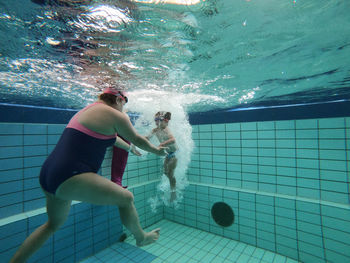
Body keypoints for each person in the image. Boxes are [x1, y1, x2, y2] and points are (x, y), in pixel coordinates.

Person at [10, 87, 166, 263]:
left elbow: (112, 138)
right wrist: (156, 151)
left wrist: (130, 148)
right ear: (119, 100)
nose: (124, 107)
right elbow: (137, 138)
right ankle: (141, 237)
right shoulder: (115, 114)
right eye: (125, 102)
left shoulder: (87, 111)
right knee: (126, 198)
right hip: (71, 174)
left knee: (52, 225)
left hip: (49, 173)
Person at [146, 111, 178, 202]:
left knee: (170, 174)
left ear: (165, 121)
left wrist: (162, 143)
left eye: (159, 119)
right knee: (166, 173)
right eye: (155, 120)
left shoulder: (166, 129)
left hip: (174, 154)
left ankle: (173, 192)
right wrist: (136, 140)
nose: (157, 122)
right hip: (168, 155)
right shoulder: (155, 130)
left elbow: (173, 140)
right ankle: (173, 186)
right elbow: (147, 138)